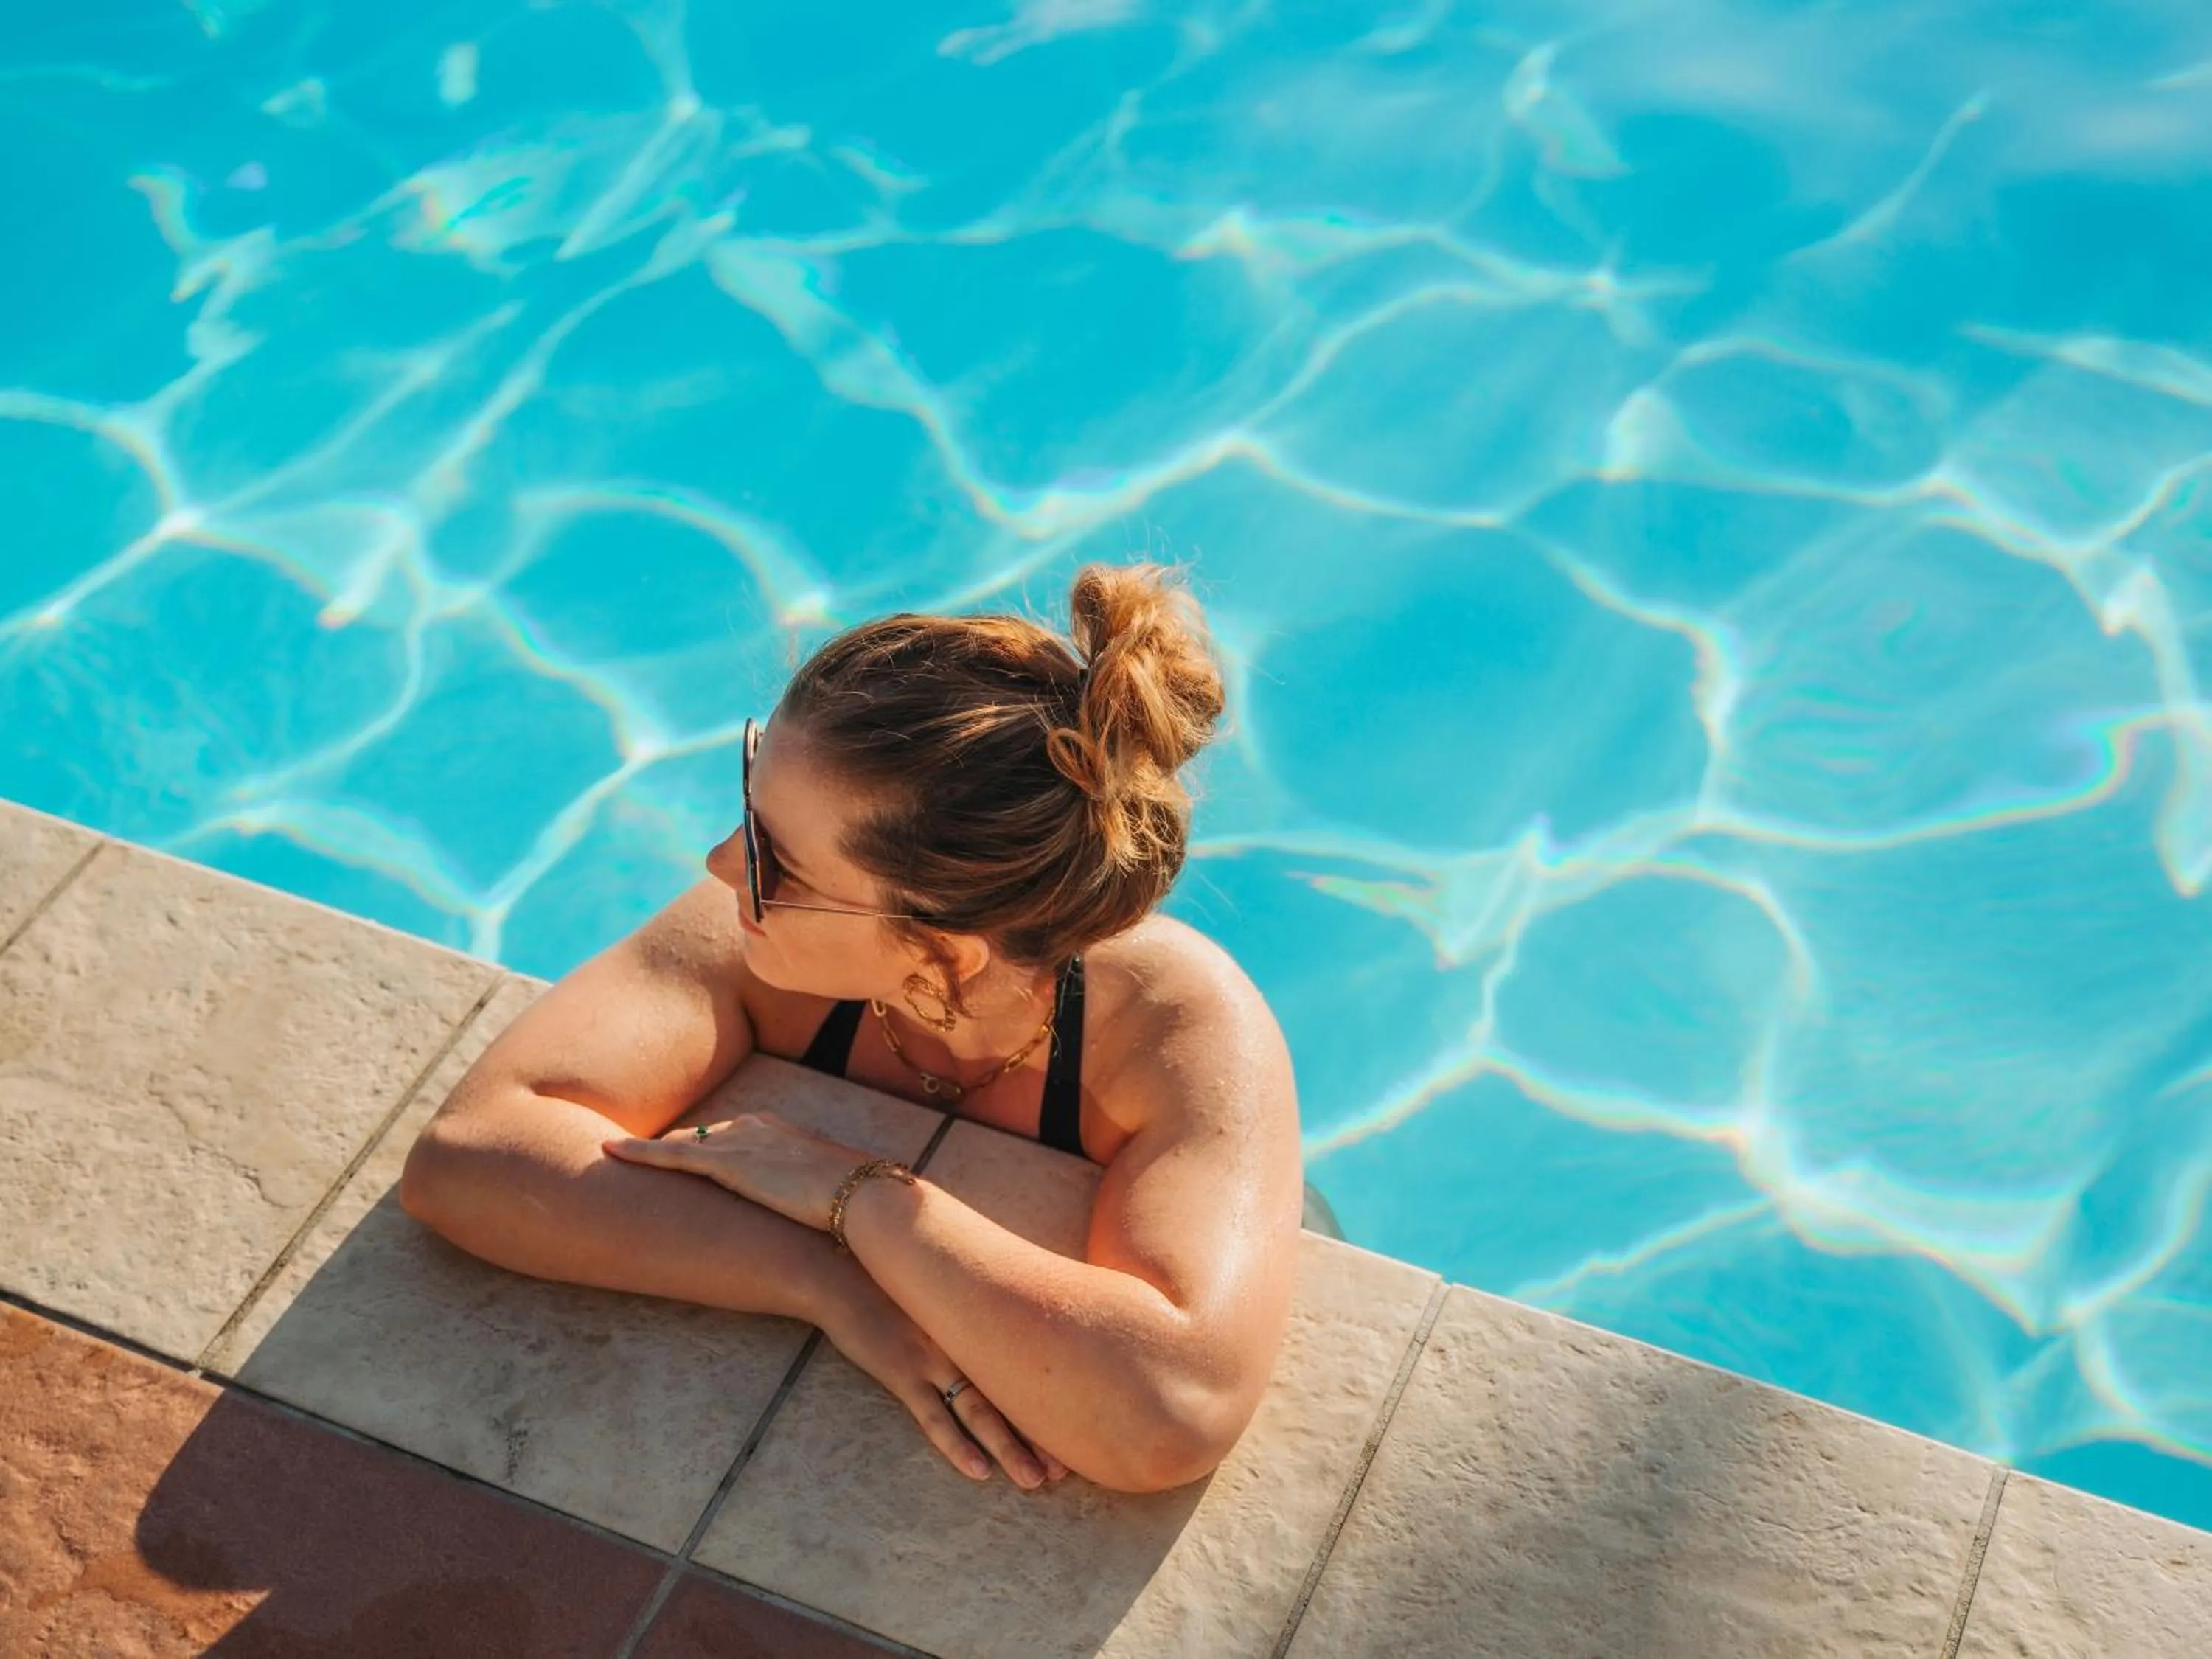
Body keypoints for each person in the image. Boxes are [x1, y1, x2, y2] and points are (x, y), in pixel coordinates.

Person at [397, 563, 1303, 1495]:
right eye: (748, 804)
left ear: (941, 955)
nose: (721, 865)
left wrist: (860, 1193)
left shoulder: (1179, 1027)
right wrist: (826, 1278)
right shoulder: (751, 933)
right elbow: (470, 1160)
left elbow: (1167, 1416)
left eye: (774, 860)